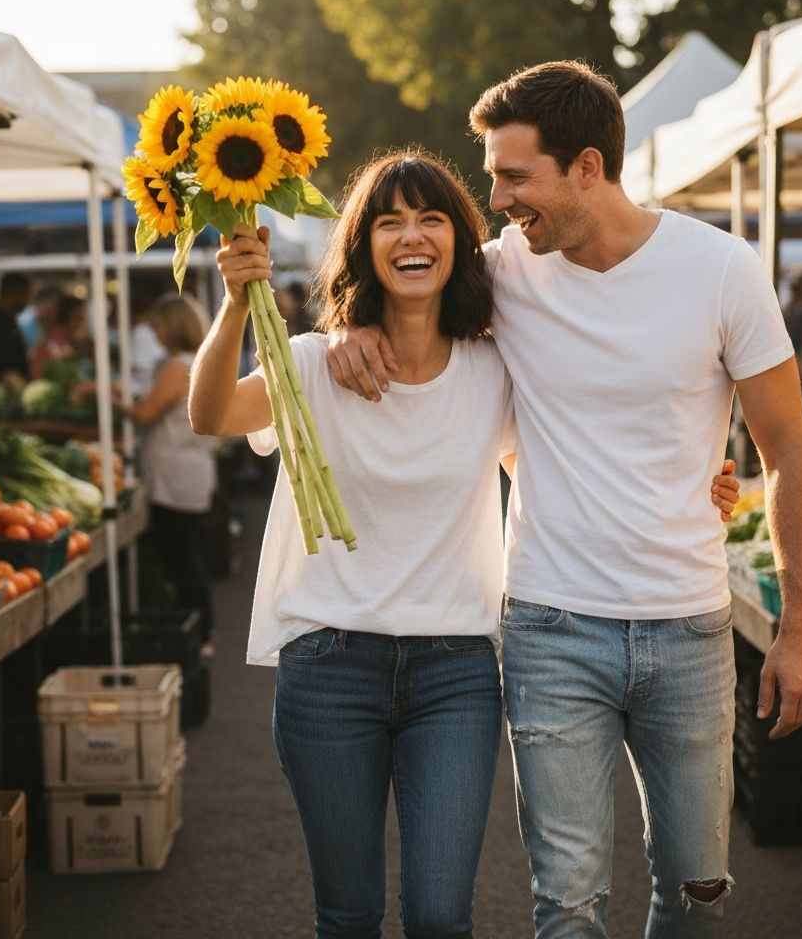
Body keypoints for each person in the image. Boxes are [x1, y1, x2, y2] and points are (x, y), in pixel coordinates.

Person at [187, 149, 742, 939]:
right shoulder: (314, 364)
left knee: (443, 916)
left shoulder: (496, 369)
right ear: (363, 246)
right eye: (389, 222)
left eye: (431, 218)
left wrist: (696, 487)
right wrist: (238, 305)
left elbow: (578, 454)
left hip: (455, 674)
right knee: (346, 915)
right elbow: (210, 416)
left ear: (459, 241)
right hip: (328, 669)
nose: (411, 236)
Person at [328, 62, 802, 938]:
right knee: (567, 899)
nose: (499, 197)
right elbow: (395, 286)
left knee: (701, 888)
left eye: (514, 176)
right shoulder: (498, 273)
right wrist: (352, 329)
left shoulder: (720, 269)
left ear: (587, 167)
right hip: (552, 628)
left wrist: (796, 631)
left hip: (691, 626)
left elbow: (786, 447)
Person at [83, 293, 218, 649]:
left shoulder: (179, 365)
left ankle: (202, 635)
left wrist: (107, 400)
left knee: (182, 558)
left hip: (177, 476)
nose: (155, 334)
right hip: (188, 472)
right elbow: (148, 396)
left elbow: (145, 414)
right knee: (184, 555)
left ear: (173, 326)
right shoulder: (192, 361)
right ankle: (201, 632)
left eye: (158, 327)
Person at [30, 293, 87, 379]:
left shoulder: (67, 344)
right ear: (65, 317)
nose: (82, 323)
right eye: (78, 318)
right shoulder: (53, 347)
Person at [18, 281, 64, 352]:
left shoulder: (53, 323)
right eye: (53, 304)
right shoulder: (24, 323)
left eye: (59, 306)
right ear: (41, 301)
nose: (55, 310)